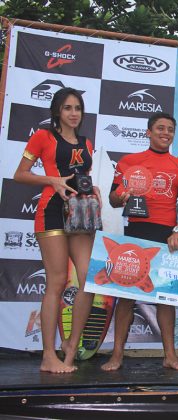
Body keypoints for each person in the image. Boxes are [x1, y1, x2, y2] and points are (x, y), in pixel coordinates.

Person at [14, 87, 100, 373]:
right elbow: (20, 174)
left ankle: (71, 347)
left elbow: (82, 176)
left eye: (77, 108)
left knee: (89, 279)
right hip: (51, 213)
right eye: (67, 108)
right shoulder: (43, 137)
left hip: (80, 217)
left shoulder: (87, 143)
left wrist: (92, 187)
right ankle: (48, 355)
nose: (73, 113)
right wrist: (52, 180)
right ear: (57, 112)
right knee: (57, 281)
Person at [102, 113, 178, 371]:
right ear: (148, 132)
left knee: (166, 298)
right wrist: (123, 196)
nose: (165, 133)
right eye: (160, 128)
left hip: (167, 235)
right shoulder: (129, 162)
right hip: (136, 233)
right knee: (126, 296)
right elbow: (112, 198)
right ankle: (117, 355)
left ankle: (170, 356)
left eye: (170, 129)